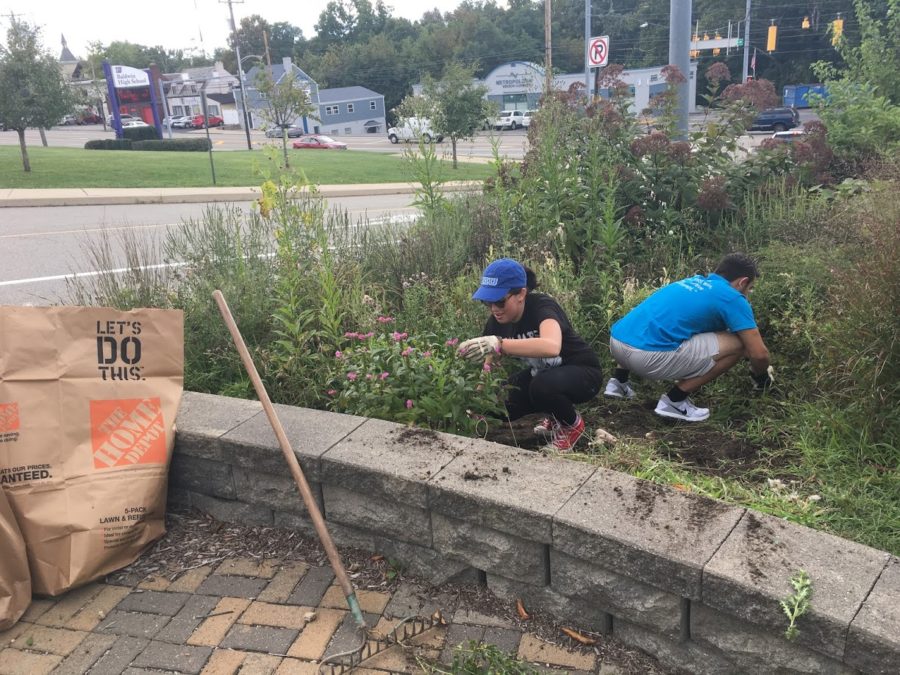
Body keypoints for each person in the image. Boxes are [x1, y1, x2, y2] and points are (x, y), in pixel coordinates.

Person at [604, 252, 774, 422]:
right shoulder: (732, 297)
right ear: (742, 282)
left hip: (617, 344)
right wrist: (762, 378)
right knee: (740, 345)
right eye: (749, 288)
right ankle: (674, 401)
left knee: (653, 323)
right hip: (646, 358)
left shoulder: (690, 282)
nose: (748, 294)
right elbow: (759, 354)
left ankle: (618, 383)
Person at [458, 258, 603, 452]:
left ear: (521, 294)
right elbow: (489, 363)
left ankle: (572, 426)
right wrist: (478, 400)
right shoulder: (496, 321)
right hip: (543, 374)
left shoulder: (542, 307)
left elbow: (551, 346)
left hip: (584, 373)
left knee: (542, 386)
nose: (494, 309)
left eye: (500, 301)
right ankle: (555, 415)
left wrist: (500, 344)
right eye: (488, 302)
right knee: (499, 404)